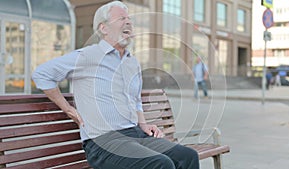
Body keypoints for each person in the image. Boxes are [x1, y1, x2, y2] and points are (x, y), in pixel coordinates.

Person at [32, 1, 199, 169]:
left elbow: (135, 100)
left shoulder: (132, 62)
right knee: (160, 164)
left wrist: (143, 125)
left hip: (135, 134)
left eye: (129, 19)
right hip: (104, 141)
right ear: (103, 28)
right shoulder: (88, 55)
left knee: (187, 156)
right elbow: (41, 74)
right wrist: (68, 109)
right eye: (121, 18)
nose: (128, 22)